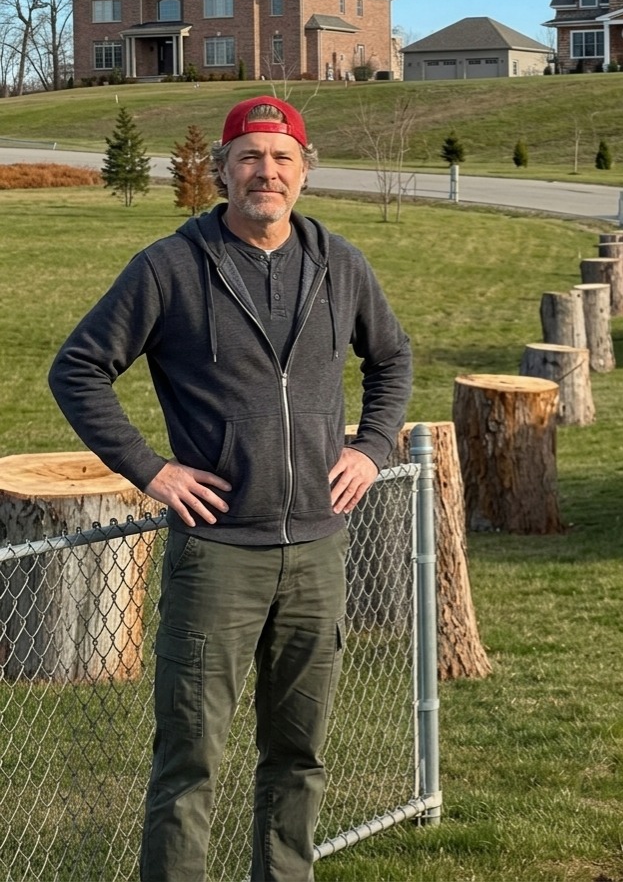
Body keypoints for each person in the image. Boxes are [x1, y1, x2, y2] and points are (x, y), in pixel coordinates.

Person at [48, 95, 412, 882]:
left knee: (300, 754)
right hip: (217, 555)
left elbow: (392, 359)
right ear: (222, 171)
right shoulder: (169, 268)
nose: (266, 172)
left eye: (282, 158)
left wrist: (374, 447)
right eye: (249, 156)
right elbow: (78, 370)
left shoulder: (339, 263)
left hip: (318, 551)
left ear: (304, 172)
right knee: (189, 764)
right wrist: (153, 470)